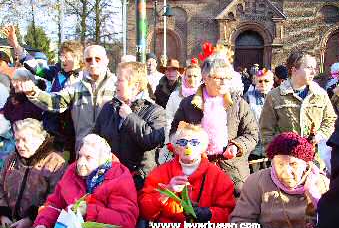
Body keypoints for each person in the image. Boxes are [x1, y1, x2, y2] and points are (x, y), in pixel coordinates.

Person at [29, 134, 138, 228]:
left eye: (88, 158)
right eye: (80, 155)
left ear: (103, 160)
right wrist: (42, 224)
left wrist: (89, 211)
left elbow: (126, 222)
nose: (80, 162)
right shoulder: (72, 171)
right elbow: (55, 203)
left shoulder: (119, 179)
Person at [137, 122, 235, 228]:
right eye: (182, 142)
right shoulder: (160, 172)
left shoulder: (218, 176)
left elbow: (227, 213)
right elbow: (145, 210)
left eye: (194, 142)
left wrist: (208, 214)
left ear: (203, 147)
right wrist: (167, 192)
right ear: (176, 147)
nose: (188, 146)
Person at [170, 47, 258, 192]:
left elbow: (252, 134)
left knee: (235, 208)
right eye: (219, 78)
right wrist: (189, 148)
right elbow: (175, 132)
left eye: (227, 78)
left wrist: (237, 146)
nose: (224, 82)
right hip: (196, 168)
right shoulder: (189, 104)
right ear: (205, 78)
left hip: (232, 171)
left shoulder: (238, 103)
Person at [231, 132, 329, 228]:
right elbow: (238, 224)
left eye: (293, 164)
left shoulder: (322, 184)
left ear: (306, 164)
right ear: (272, 162)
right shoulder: (256, 182)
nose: (286, 172)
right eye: (280, 164)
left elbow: (338, 226)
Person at [13, 45, 117, 152]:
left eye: (97, 59)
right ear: (85, 62)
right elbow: (55, 101)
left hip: (110, 151)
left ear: (106, 60)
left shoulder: (116, 85)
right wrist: (33, 92)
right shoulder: (73, 84)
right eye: (89, 59)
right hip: (80, 149)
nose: (93, 62)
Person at [93, 61, 166, 190]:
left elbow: (153, 140)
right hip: (110, 177)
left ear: (135, 85)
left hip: (139, 182)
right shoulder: (109, 107)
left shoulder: (155, 110)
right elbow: (96, 137)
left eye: (120, 80)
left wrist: (130, 117)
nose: (116, 83)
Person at [260, 51, 337, 169]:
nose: (313, 72)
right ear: (294, 69)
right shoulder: (275, 96)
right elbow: (266, 130)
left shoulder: (320, 94)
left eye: (314, 68)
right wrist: (275, 156)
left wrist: (320, 135)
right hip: (286, 162)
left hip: (314, 161)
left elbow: (330, 120)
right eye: (308, 67)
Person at [0, 118, 66, 228]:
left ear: (39, 139)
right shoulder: (11, 159)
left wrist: (30, 219)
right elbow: (0, 186)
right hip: (8, 225)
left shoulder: (55, 163)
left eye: (25, 140)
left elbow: (56, 199)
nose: (19, 145)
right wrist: (3, 214)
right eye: (17, 140)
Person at [244, 68, 274, 172]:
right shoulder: (248, 97)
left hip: (271, 147)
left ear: (272, 82)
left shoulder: (278, 97)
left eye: (266, 81)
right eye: (260, 81)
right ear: (255, 81)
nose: (263, 84)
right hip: (254, 149)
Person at [165, 58, 202, 142]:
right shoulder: (175, 95)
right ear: (184, 77)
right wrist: (170, 139)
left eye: (195, 76)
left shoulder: (204, 96)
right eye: (189, 76)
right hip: (178, 139)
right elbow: (168, 118)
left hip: (198, 140)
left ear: (200, 78)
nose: (192, 79)